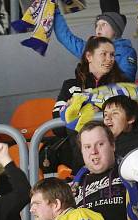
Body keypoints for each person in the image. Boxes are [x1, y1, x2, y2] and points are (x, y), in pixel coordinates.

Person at [52, 37, 127, 171]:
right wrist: (75, 112)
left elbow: (129, 121)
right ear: (89, 56)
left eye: (112, 55)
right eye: (104, 54)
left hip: (118, 158)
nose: (109, 59)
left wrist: (98, 113)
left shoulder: (122, 85)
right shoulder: (70, 85)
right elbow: (57, 128)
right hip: (80, 161)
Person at [53, 8, 137, 80]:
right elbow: (64, 36)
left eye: (104, 24)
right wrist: (54, 9)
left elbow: (126, 80)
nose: (98, 28)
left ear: (115, 30)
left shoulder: (126, 51)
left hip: (114, 97)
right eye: (97, 25)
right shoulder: (90, 49)